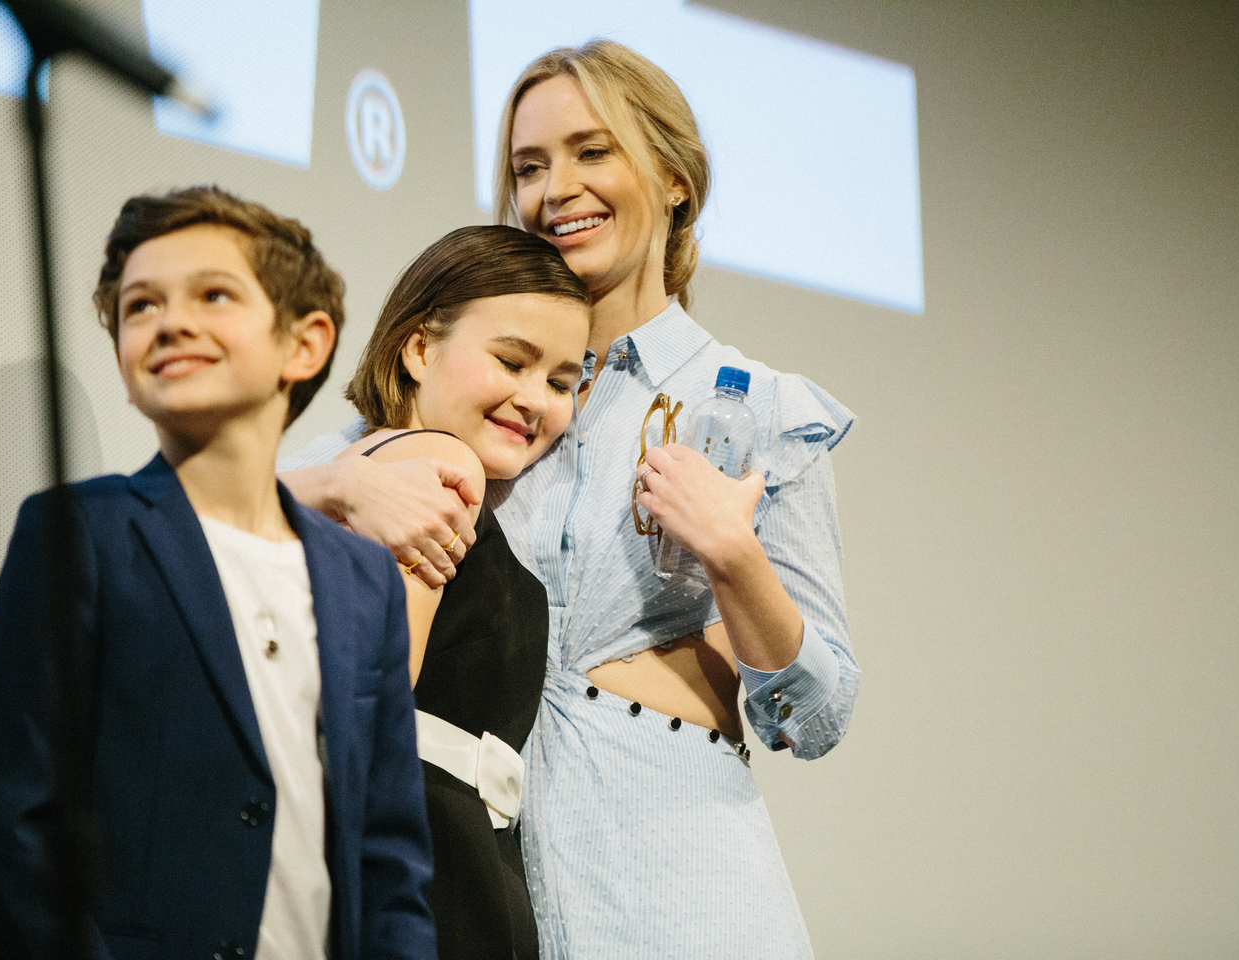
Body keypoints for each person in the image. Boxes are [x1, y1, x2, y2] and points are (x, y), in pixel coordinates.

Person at [282, 40, 859, 958]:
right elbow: (250, 515)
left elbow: (815, 715)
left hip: (680, 882)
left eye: (592, 153)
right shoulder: (477, 386)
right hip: (482, 888)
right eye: (527, 167)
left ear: (674, 177)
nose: (556, 190)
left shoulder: (761, 410)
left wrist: (735, 558)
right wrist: (340, 482)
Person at [0, 186, 435, 960]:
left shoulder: (362, 580)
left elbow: (388, 853)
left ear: (305, 344)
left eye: (213, 295)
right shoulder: (80, 534)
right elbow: (19, 832)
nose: (170, 321)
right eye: (140, 306)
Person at [329, 224, 588, 959]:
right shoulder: (441, 468)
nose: (535, 399)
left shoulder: (373, 465)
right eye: (512, 360)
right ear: (417, 348)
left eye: (562, 382)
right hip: (425, 882)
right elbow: (369, 724)